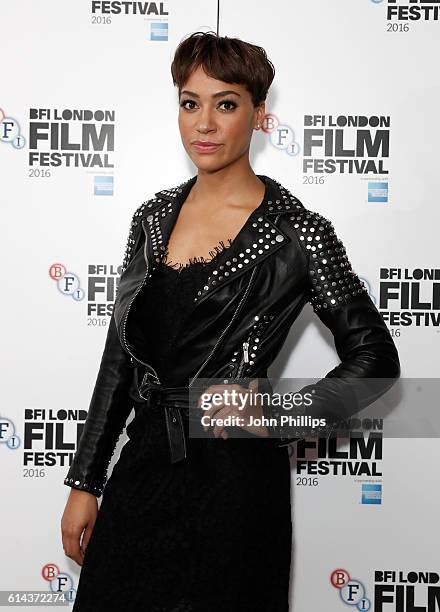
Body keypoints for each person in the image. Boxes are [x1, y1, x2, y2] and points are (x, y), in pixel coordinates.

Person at [61, 31, 400, 611]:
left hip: (235, 482)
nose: (204, 124)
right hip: (143, 464)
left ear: (259, 114)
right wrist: (85, 481)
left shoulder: (298, 232)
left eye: (226, 103)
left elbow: (376, 361)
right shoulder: (151, 217)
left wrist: (268, 416)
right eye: (190, 103)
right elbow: (119, 357)